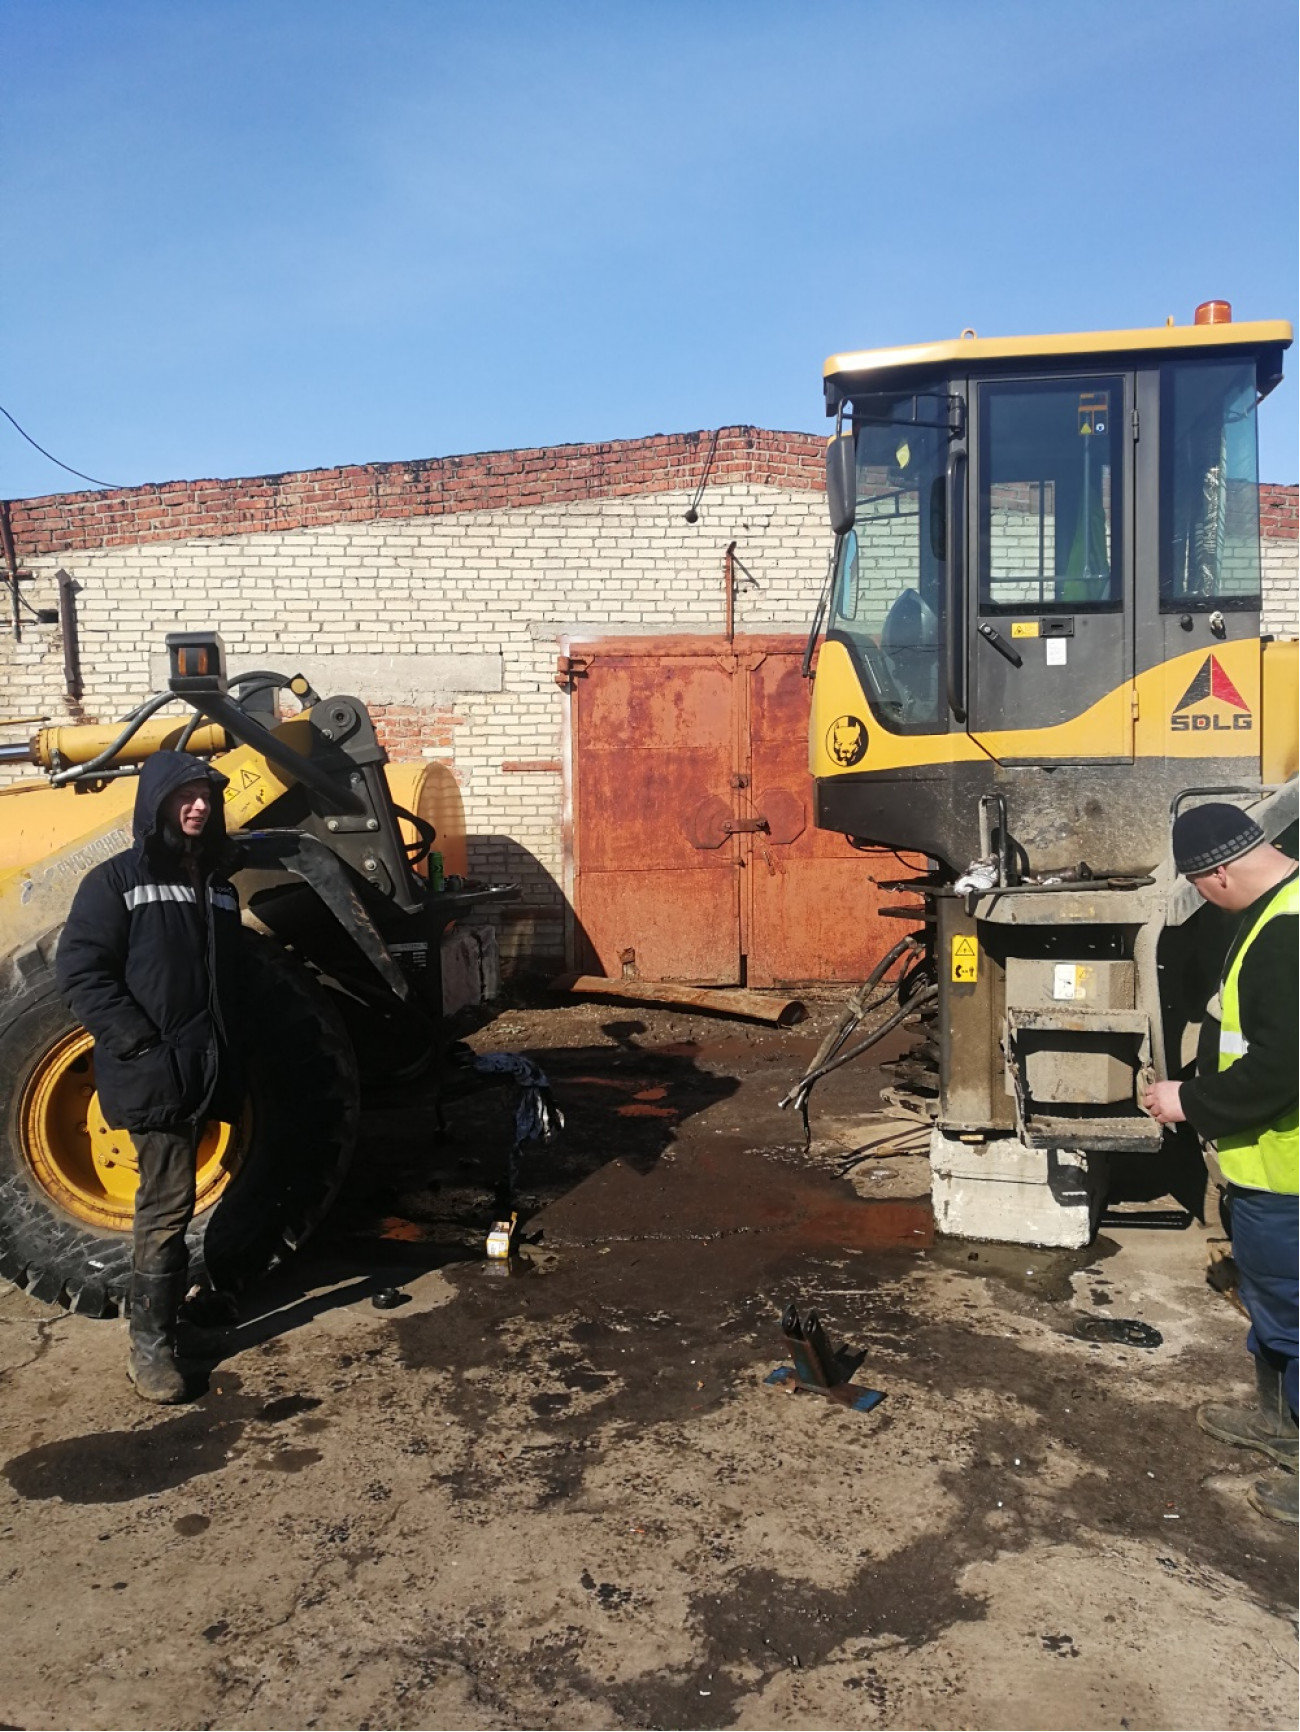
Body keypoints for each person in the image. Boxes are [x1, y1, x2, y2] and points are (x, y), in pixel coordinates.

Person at [57, 751, 243, 1403]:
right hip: (156, 1072)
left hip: (207, 1066)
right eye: (185, 796)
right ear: (157, 803)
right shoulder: (117, 881)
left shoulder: (218, 885)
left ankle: (184, 1298)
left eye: (206, 797)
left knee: (191, 1196)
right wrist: (139, 1044)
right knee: (164, 1208)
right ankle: (150, 1348)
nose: (199, 806)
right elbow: (81, 970)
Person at [1142, 801, 1298, 1525]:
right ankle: (1278, 1423)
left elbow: (1281, 1067)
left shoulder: (1286, 934)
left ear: (1220, 873)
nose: (1204, 898)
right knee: (1271, 1306)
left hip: (1287, 1178)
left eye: (1200, 887)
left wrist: (1191, 1101)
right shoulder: (1275, 913)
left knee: (1294, 1316)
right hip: (1265, 1173)